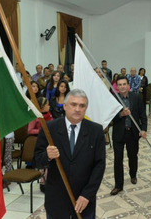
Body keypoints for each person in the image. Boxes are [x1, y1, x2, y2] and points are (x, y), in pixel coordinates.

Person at [34, 89, 106, 219]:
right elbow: (37, 160)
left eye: (82, 106)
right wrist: (47, 155)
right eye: (73, 104)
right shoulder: (49, 128)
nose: (77, 109)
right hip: (56, 200)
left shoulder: (96, 131)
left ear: (86, 108)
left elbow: (99, 165)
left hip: (83, 200)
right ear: (65, 106)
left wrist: (87, 194)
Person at [110, 76, 147, 195]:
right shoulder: (113, 99)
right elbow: (110, 117)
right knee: (118, 159)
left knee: (133, 156)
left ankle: (133, 175)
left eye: (124, 84)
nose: (122, 87)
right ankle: (118, 185)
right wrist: (121, 114)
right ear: (117, 86)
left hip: (132, 132)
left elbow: (142, 115)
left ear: (128, 85)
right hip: (119, 134)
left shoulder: (136, 97)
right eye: (119, 85)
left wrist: (143, 129)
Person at [28, 97, 52, 193]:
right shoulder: (35, 117)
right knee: (43, 163)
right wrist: (42, 131)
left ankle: (49, 182)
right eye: (47, 105)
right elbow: (29, 130)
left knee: (49, 165)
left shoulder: (49, 115)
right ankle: (43, 183)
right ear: (42, 107)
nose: (49, 106)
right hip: (40, 141)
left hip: (49, 141)